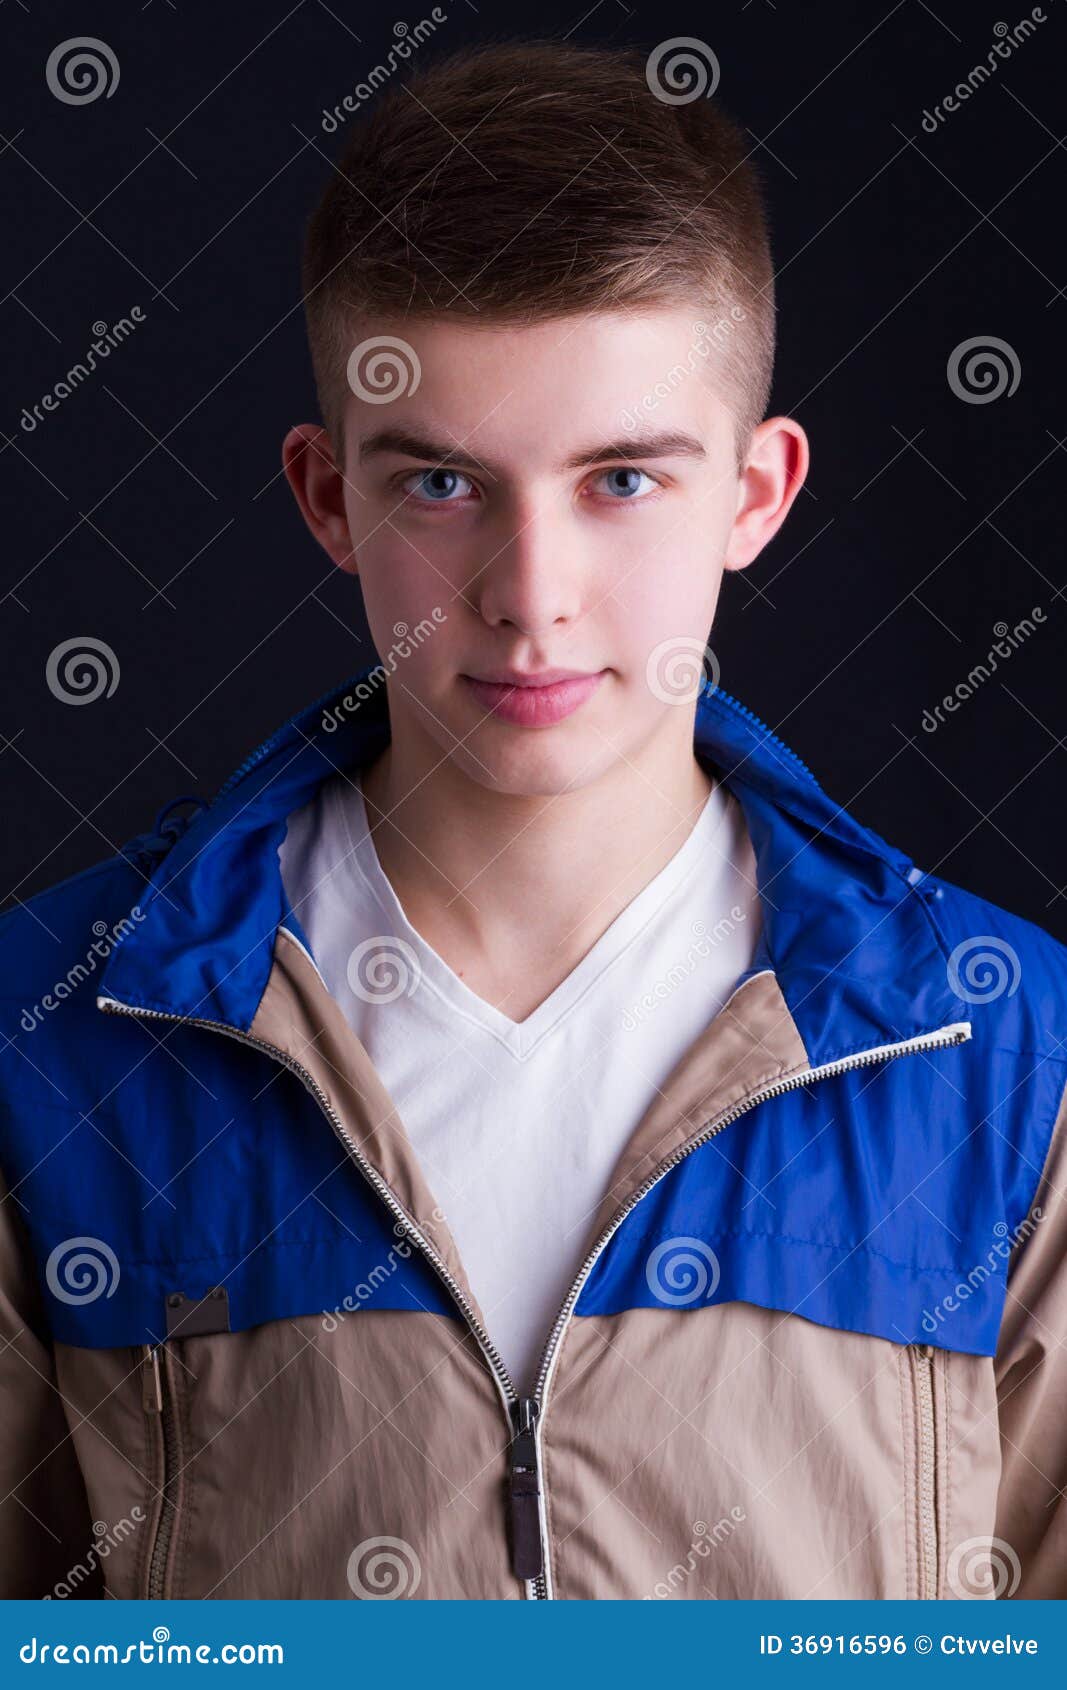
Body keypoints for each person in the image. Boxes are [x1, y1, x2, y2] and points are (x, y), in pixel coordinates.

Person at [0, 39, 1064, 1603]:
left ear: (757, 494)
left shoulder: (1009, 1059)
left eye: (624, 478)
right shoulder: (59, 1037)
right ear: (326, 494)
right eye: (441, 485)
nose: (531, 597)